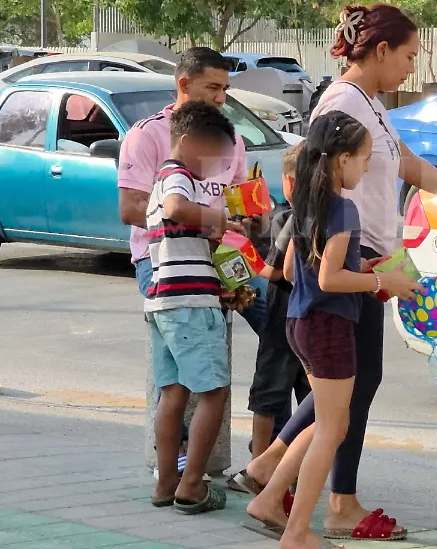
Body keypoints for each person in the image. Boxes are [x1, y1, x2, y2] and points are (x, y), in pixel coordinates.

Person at [239, 3, 437, 539]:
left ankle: (274, 473)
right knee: (347, 390)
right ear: (379, 51)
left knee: (350, 386)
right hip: (354, 265)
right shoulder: (344, 103)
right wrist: (372, 274)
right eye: (408, 56)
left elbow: (407, 164)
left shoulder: (370, 104)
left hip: (368, 258)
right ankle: (329, 499)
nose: (411, 69)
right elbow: (310, 181)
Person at [117, 46, 275, 460]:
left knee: (282, 323)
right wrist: (207, 221)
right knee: (186, 376)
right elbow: (131, 208)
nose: (222, 98)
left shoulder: (231, 139)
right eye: (213, 87)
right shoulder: (148, 134)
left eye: (225, 88)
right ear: (183, 85)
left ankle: (271, 447)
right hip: (165, 264)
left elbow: (237, 203)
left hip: (225, 260)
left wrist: (255, 218)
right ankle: (180, 460)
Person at [276, 111, 423, 549]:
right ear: (342, 160)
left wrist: (364, 266)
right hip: (328, 325)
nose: (367, 169)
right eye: (364, 160)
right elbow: (329, 280)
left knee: (327, 425)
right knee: (331, 430)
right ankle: (298, 531)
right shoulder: (342, 208)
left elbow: (300, 267)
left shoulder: (307, 200)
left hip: (303, 322)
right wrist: (383, 281)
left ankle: (282, 509)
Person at [146, 101, 239, 514]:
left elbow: (178, 225)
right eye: (213, 154)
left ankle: (166, 481)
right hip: (189, 303)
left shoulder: (166, 180)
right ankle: (191, 485)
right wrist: (216, 218)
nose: (217, 166)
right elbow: (176, 210)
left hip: (163, 301)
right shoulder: (175, 178)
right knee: (214, 392)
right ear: (187, 143)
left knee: (173, 393)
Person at [247, 143, 313, 459]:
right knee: (310, 399)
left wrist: (241, 254)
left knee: (268, 395)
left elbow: (275, 272)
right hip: (313, 322)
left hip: (282, 320)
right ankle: (296, 469)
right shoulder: (331, 212)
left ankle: (258, 466)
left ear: (290, 183)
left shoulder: (295, 217)